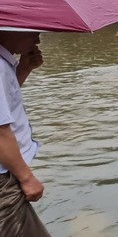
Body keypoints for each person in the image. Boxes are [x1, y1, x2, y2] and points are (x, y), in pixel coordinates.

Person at [0, 30, 51, 236]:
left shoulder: (5, 65)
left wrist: (24, 69)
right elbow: (0, 130)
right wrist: (27, 177)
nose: (37, 40)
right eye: (33, 33)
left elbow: (6, 106)